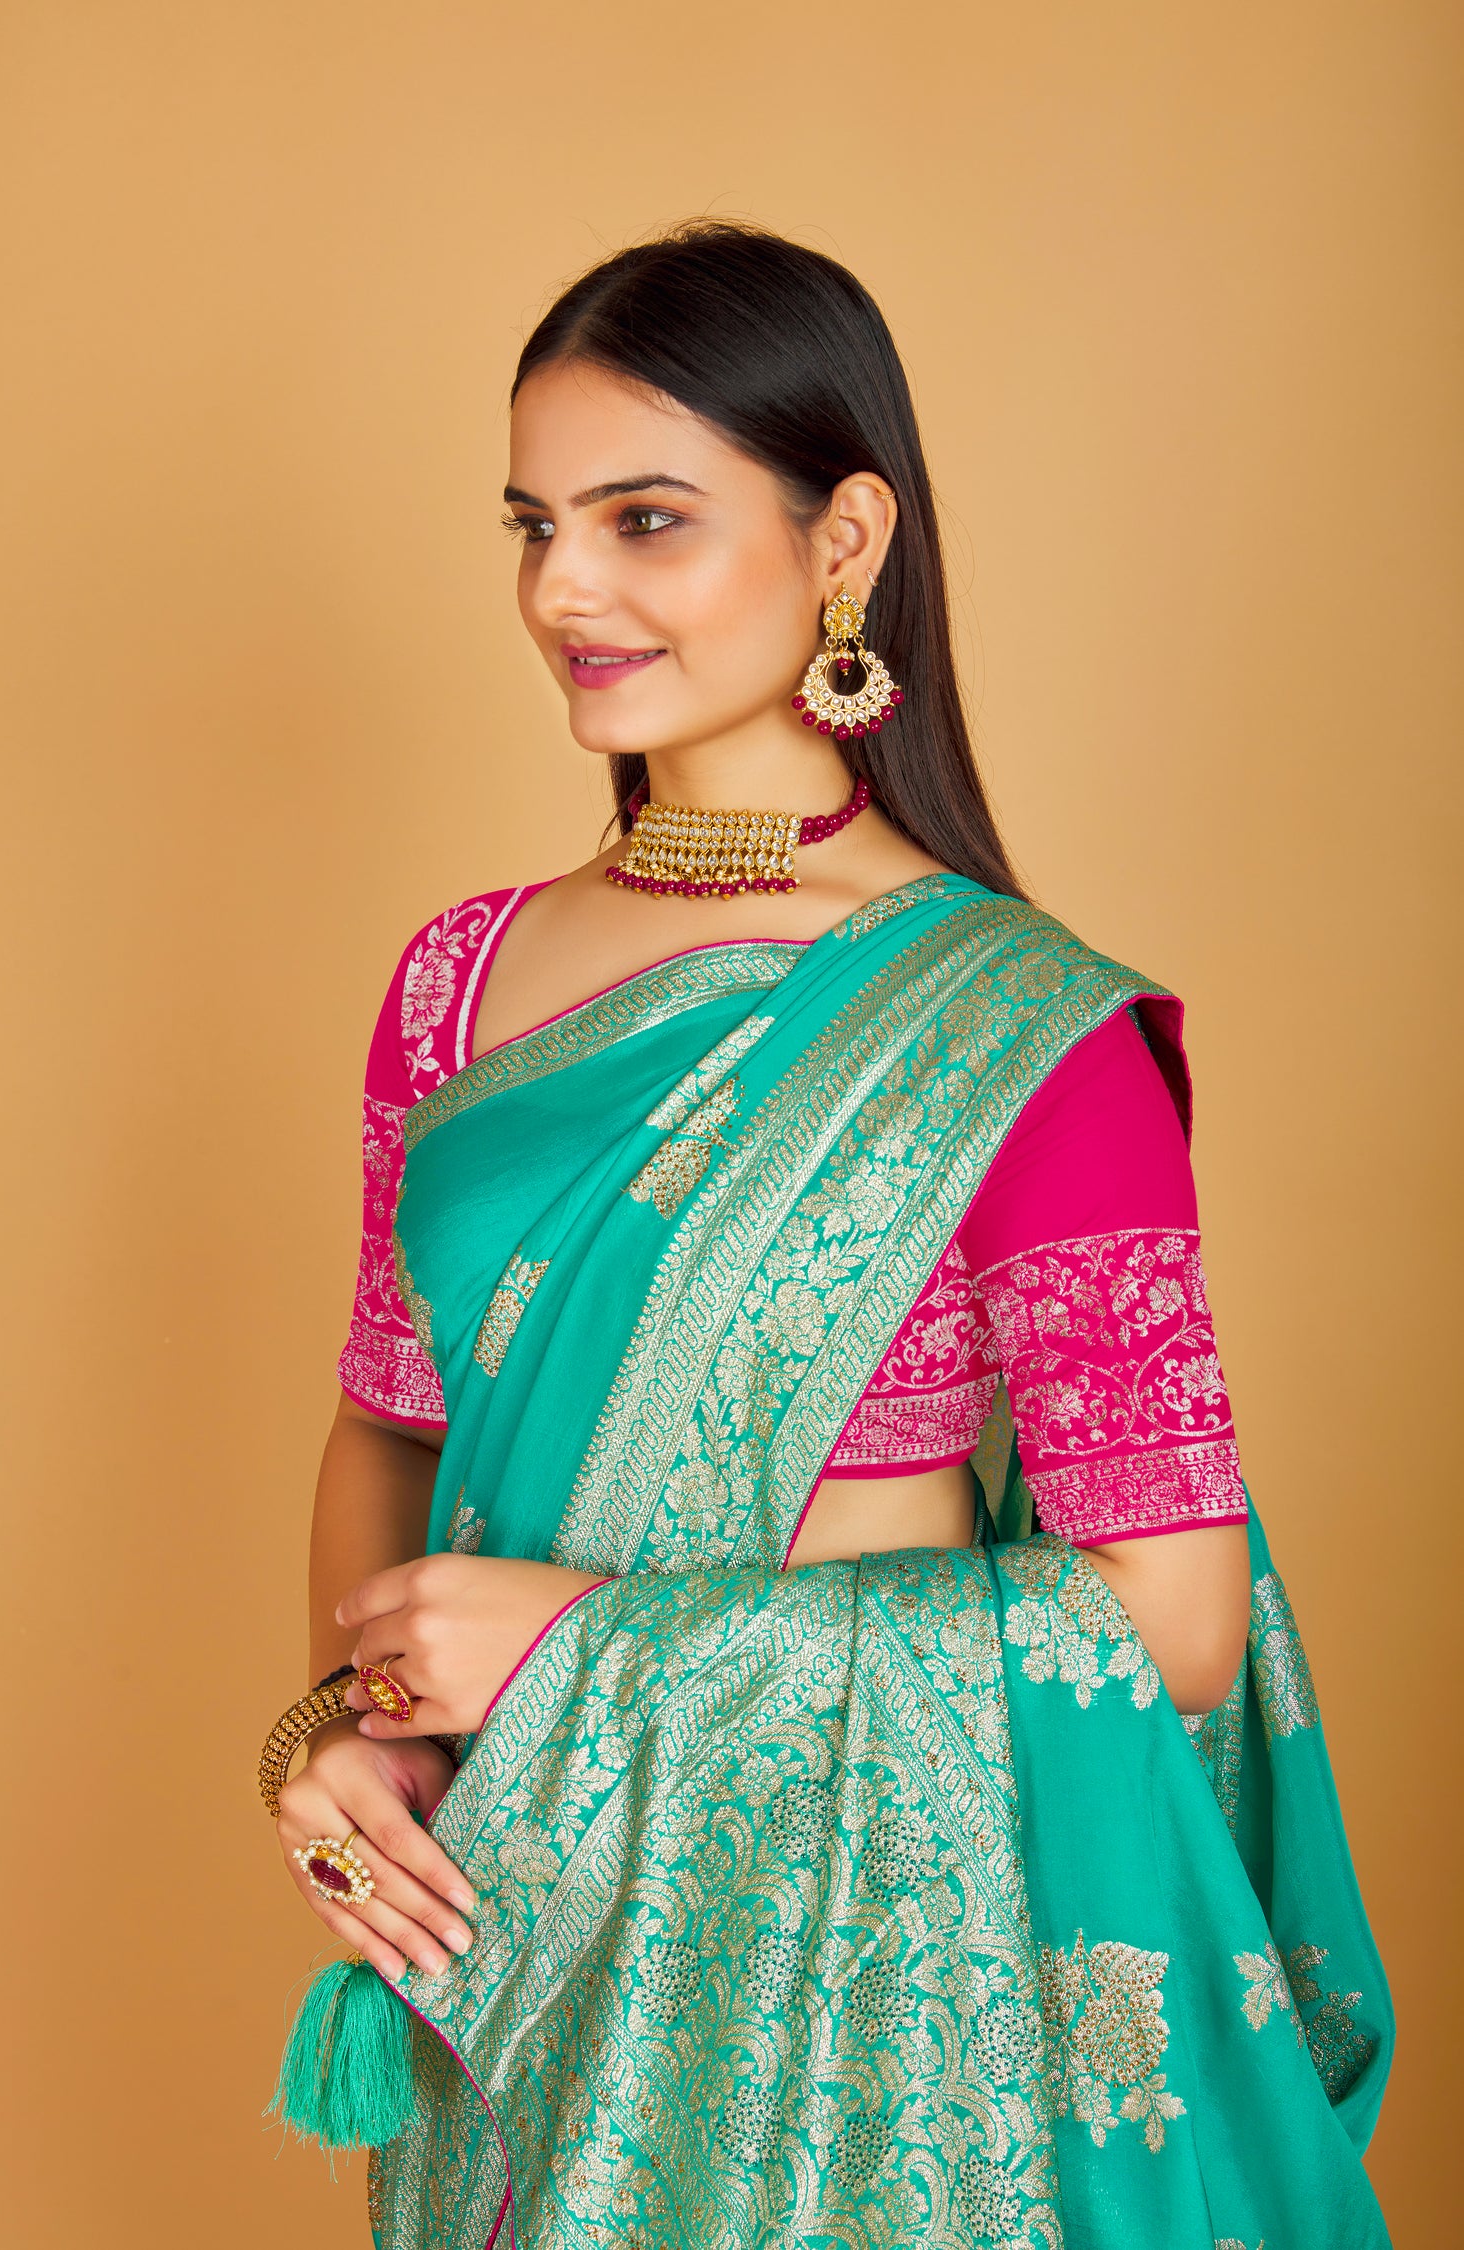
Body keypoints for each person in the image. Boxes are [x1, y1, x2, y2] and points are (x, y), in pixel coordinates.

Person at [262, 222, 1391, 2248]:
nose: (562, 589)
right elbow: (388, 1427)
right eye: (534, 524)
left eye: (644, 519)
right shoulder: (456, 986)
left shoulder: (1025, 1034)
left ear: (844, 539)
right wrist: (339, 1738)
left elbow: (1174, 1617)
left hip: (877, 2005)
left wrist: (592, 1651)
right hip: (521, 1956)